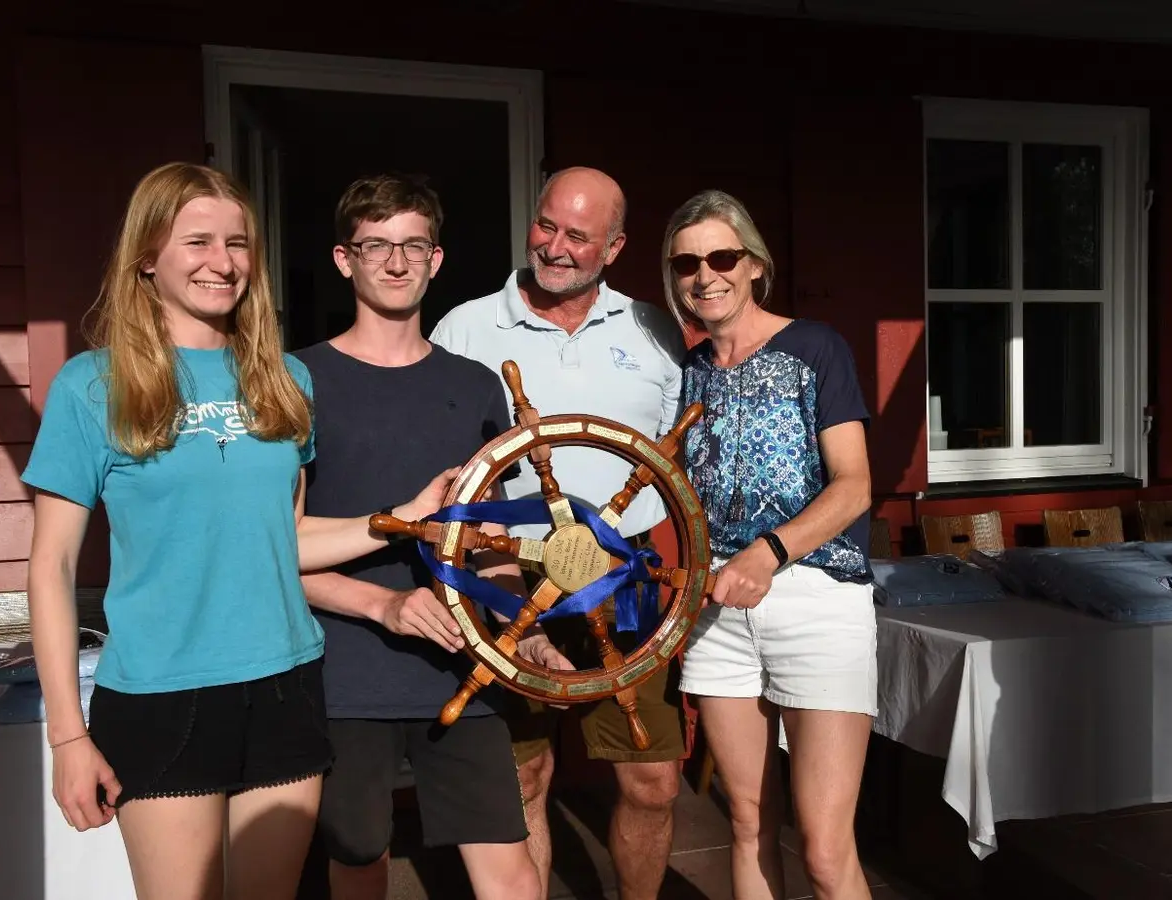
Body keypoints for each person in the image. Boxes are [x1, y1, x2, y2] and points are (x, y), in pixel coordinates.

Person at [22, 162, 453, 900]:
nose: (222, 263)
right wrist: (68, 735)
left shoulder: (284, 379)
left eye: (238, 242)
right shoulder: (92, 385)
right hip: (161, 695)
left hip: (286, 687)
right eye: (197, 242)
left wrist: (399, 521)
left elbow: (287, 539)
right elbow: (51, 567)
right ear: (147, 256)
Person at [429, 166, 688, 900]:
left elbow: (676, 460)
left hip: (628, 581)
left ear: (615, 247)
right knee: (523, 776)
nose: (556, 246)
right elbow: (444, 471)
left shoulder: (654, 331)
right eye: (547, 225)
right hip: (508, 579)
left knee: (652, 781)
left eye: (579, 234)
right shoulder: (465, 328)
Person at [290, 174, 547, 900]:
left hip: (461, 666)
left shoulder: (476, 385)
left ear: (436, 259)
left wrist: (524, 630)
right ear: (344, 259)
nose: (396, 262)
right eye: (376, 245)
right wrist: (384, 606)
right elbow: (277, 546)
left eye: (413, 245)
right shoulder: (296, 379)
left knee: (509, 867)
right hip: (344, 673)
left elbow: (491, 539)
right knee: (358, 860)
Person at [662, 189, 876, 900]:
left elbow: (854, 485)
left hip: (816, 596)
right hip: (718, 610)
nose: (705, 275)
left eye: (722, 257)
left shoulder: (815, 348)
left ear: (754, 264)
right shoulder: (690, 372)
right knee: (749, 820)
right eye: (687, 263)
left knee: (824, 848)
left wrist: (770, 553)